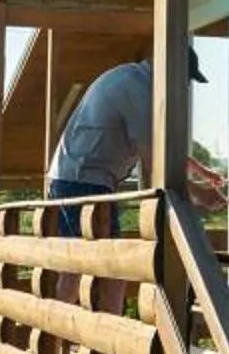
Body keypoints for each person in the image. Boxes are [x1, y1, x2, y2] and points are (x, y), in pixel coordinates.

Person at [47, 50, 209, 227]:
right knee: (99, 244)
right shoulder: (138, 90)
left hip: (78, 180)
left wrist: (199, 170)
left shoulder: (130, 77)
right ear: (170, 71)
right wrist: (198, 193)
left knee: (101, 243)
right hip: (82, 183)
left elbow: (158, 151)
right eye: (184, 79)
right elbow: (155, 161)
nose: (184, 86)